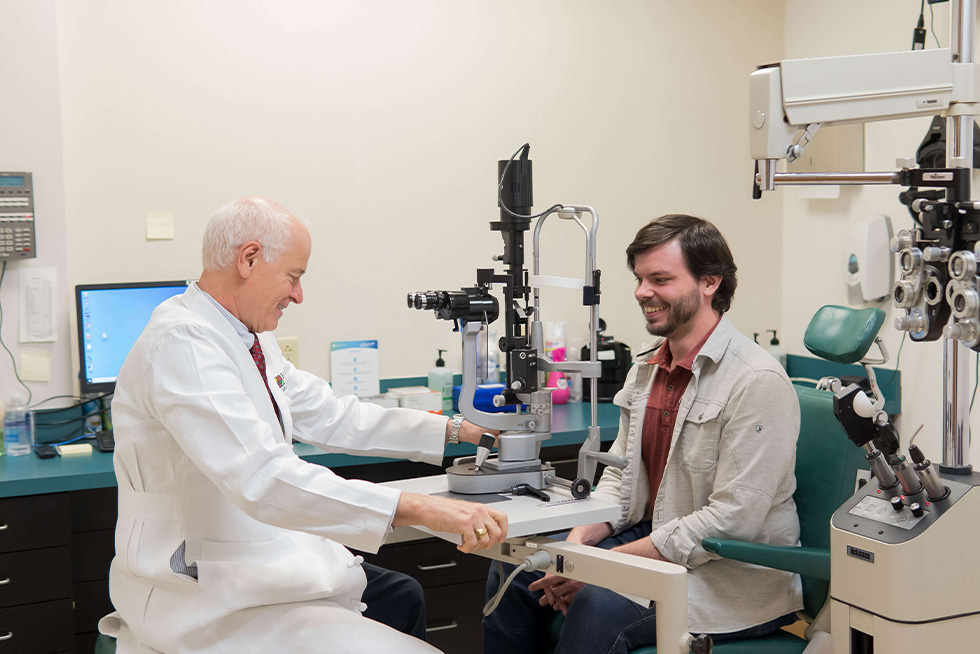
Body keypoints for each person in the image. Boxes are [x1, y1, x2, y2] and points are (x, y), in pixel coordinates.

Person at [98, 196, 508, 654]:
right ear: (249, 258)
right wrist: (417, 507)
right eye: (293, 277)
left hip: (253, 561)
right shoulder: (183, 342)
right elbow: (263, 477)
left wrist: (457, 430)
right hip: (204, 592)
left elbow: (333, 414)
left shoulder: (245, 336)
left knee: (400, 595)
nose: (297, 295)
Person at [483, 214, 803, 654]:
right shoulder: (647, 369)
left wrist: (598, 567)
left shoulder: (757, 381)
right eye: (639, 279)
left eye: (660, 279)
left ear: (710, 282)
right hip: (654, 542)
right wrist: (575, 547)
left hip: (725, 575)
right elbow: (620, 477)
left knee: (596, 602)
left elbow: (733, 520)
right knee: (514, 570)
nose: (642, 293)